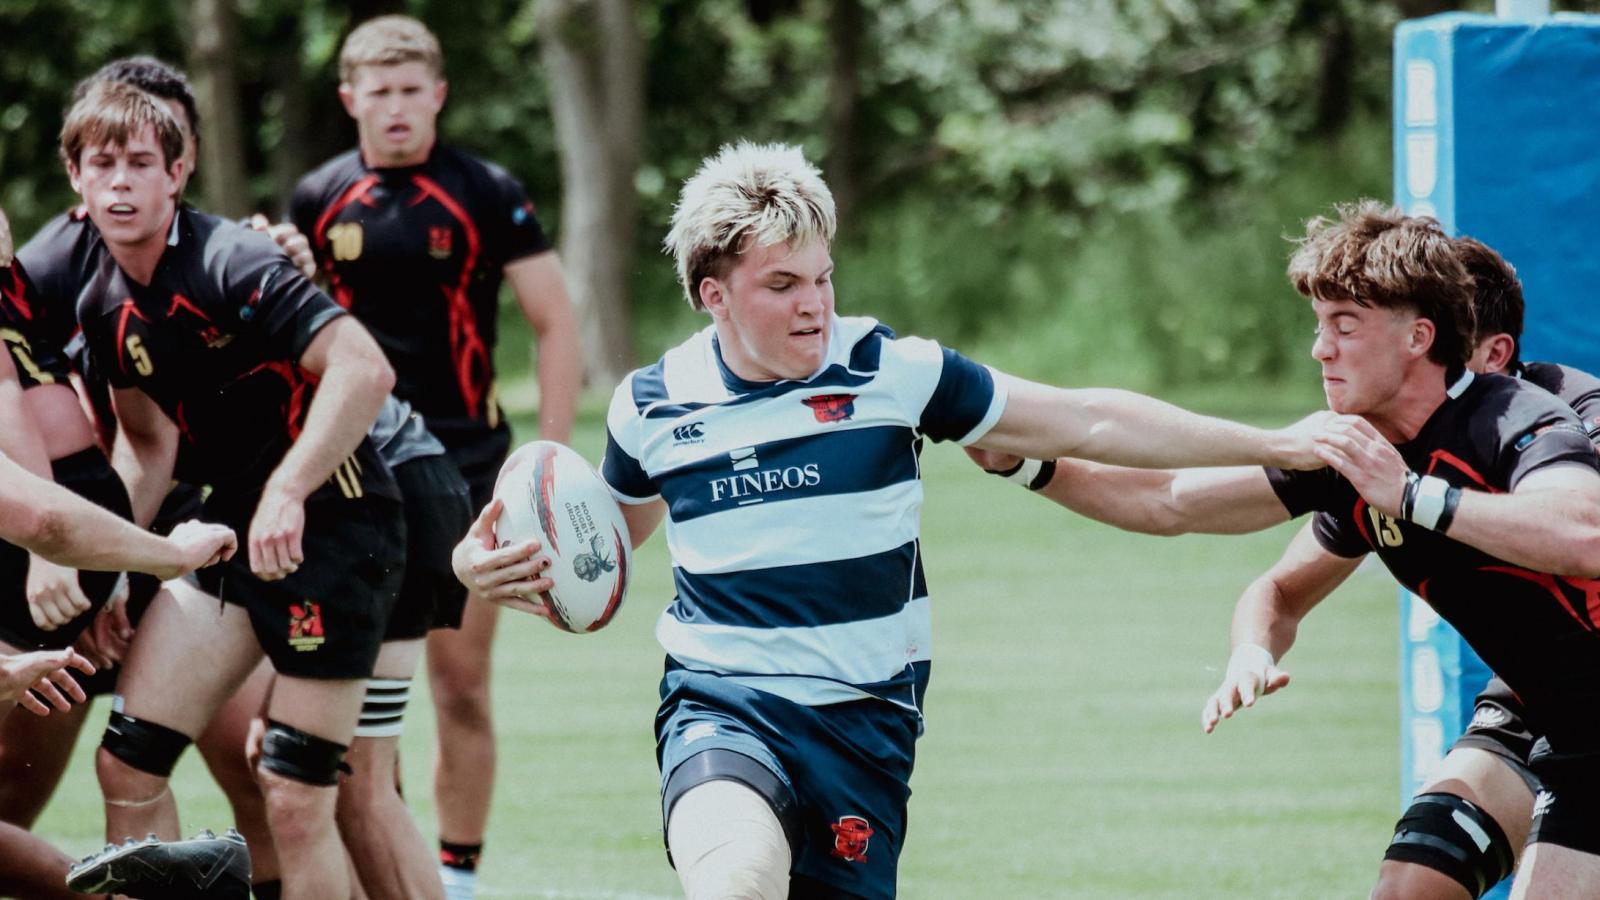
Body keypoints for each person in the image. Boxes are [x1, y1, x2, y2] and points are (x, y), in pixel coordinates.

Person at [452, 140, 1329, 899]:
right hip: (722, 700)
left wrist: (1276, 444)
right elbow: (603, 543)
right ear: (713, 294)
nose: (814, 304)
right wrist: (487, 565)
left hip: (865, 723)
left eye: (824, 277)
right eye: (782, 283)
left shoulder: (890, 372)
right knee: (739, 879)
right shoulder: (651, 408)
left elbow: (1091, 419)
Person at [971, 204, 1600, 898]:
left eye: (1344, 326)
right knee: (1410, 885)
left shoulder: (1521, 413)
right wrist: (1028, 467)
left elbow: (1586, 536)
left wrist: (1412, 495)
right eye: (1318, 325)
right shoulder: (1354, 450)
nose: (1319, 350)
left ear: (1421, 337)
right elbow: (1171, 499)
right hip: (1540, 706)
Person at [62, 82, 406, 900]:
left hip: (337, 528)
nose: (120, 183)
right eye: (101, 164)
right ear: (74, 180)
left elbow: (364, 369)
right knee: (127, 762)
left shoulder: (232, 261)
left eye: (141, 163)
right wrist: (122, 567)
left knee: (293, 797)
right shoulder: (101, 307)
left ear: (178, 173)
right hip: (229, 532)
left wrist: (288, 489)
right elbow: (150, 445)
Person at [290, 15, 581, 896]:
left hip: (467, 469)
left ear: (439, 95)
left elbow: (555, 321)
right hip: (355, 474)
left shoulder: (485, 191)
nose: (398, 108)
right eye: (379, 92)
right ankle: (391, 860)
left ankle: (457, 875)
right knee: (362, 695)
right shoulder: (318, 199)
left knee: (457, 685)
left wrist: (548, 463)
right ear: (350, 101)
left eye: (414, 90)